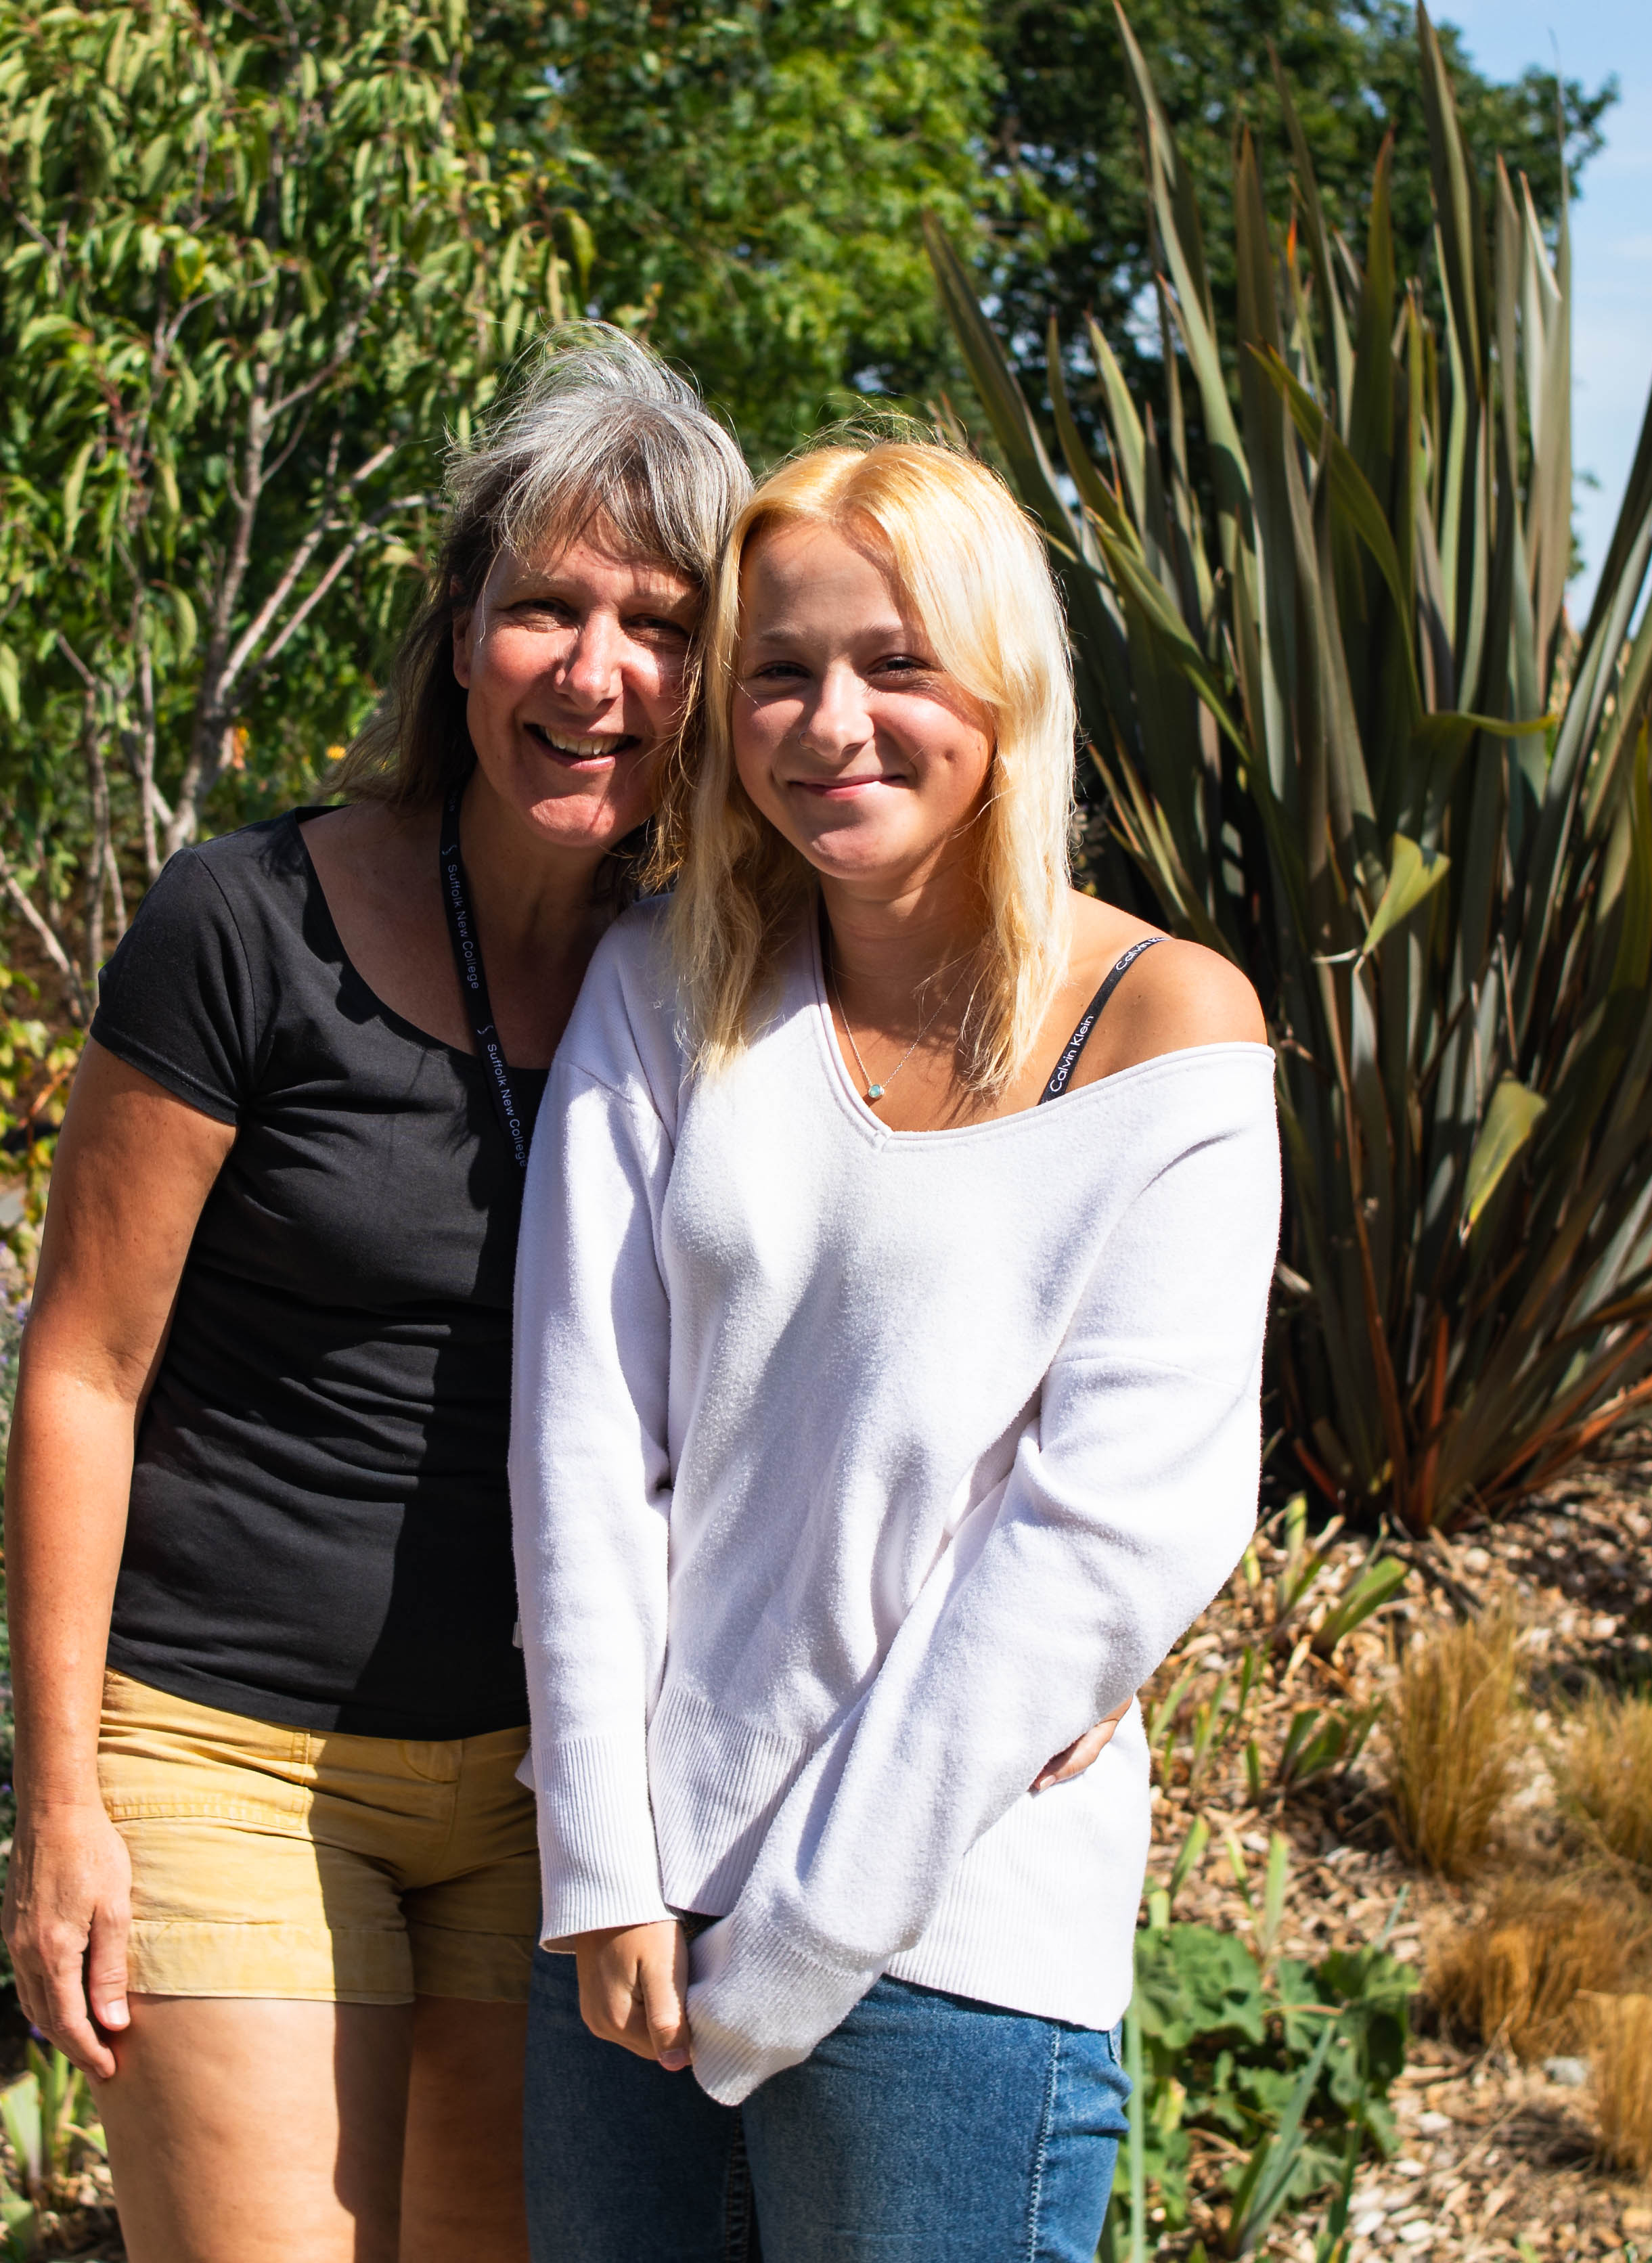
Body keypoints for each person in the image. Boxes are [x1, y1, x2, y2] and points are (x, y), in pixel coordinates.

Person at [0, 328, 750, 2261]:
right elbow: (83, 1368)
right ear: (459, 632)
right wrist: (63, 1802)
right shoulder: (246, 928)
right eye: (547, 610)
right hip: (229, 1750)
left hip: (554, 1791)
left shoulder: (720, 987)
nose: (597, 676)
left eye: (659, 625)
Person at [512, 438, 1282, 2258]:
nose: (829, 721)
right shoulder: (669, 988)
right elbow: (579, 1443)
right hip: (635, 1944)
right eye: (779, 672)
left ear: (1004, 683)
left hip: (950, 1953)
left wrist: (791, 1952)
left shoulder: (1165, 1029)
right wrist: (609, 1872)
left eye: (896, 663)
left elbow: (1107, 1541)